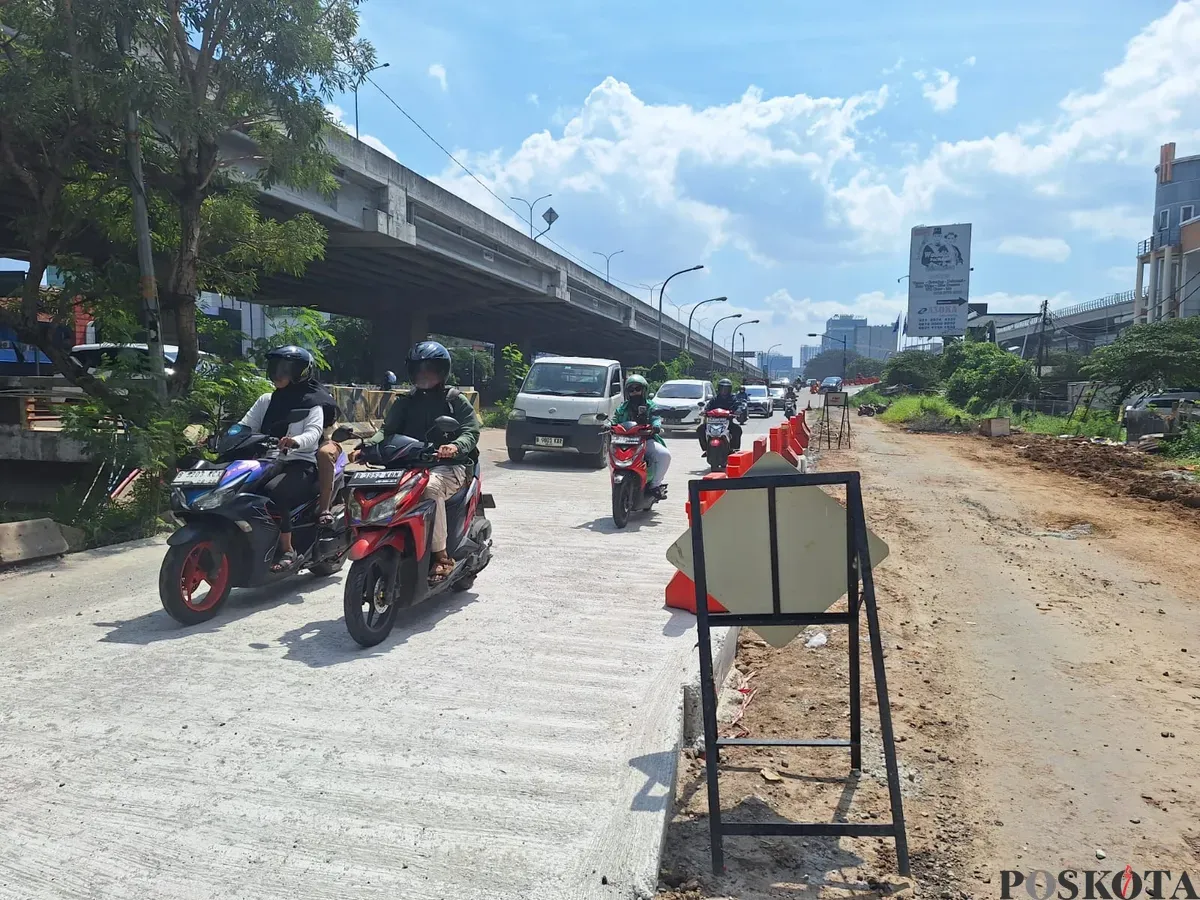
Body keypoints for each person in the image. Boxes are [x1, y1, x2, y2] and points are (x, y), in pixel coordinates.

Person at [351, 341, 480, 584]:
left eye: (430, 368)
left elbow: (471, 432)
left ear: (442, 371)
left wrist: (455, 446)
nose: (424, 374)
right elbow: (387, 431)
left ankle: (441, 556)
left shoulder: (454, 399)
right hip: (409, 462)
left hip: (449, 465)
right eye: (419, 369)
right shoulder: (405, 401)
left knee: (430, 489)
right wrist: (367, 447)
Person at [237, 346, 326, 573]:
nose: (278, 373)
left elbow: (314, 433)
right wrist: (225, 437)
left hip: (300, 463)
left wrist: (295, 441)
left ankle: (287, 549)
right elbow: (245, 426)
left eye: (286, 369)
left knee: (275, 491)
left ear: (301, 372)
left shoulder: (312, 403)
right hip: (266, 461)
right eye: (275, 367)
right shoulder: (266, 400)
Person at [610, 374, 671, 499]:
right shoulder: (622, 408)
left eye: (638, 389)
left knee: (664, 455)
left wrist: (656, 426)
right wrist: (607, 425)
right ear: (628, 393)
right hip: (624, 441)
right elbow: (614, 419)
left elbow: (656, 418)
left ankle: (655, 485)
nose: (635, 392)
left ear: (644, 390)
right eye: (631, 390)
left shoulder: (650, 406)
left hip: (645, 440)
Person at [698, 378, 743, 453]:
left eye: (726, 388)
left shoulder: (733, 398)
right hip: (712, 422)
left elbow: (738, 406)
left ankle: (735, 448)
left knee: (737, 429)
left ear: (729, 389)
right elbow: (708, 406)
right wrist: (704, 411)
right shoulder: (715, 399)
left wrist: (738, 411)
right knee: (700, 429)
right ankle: (706, 448)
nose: (724, 390)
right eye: (722, 388)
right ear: (719, 388)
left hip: (727, 422)